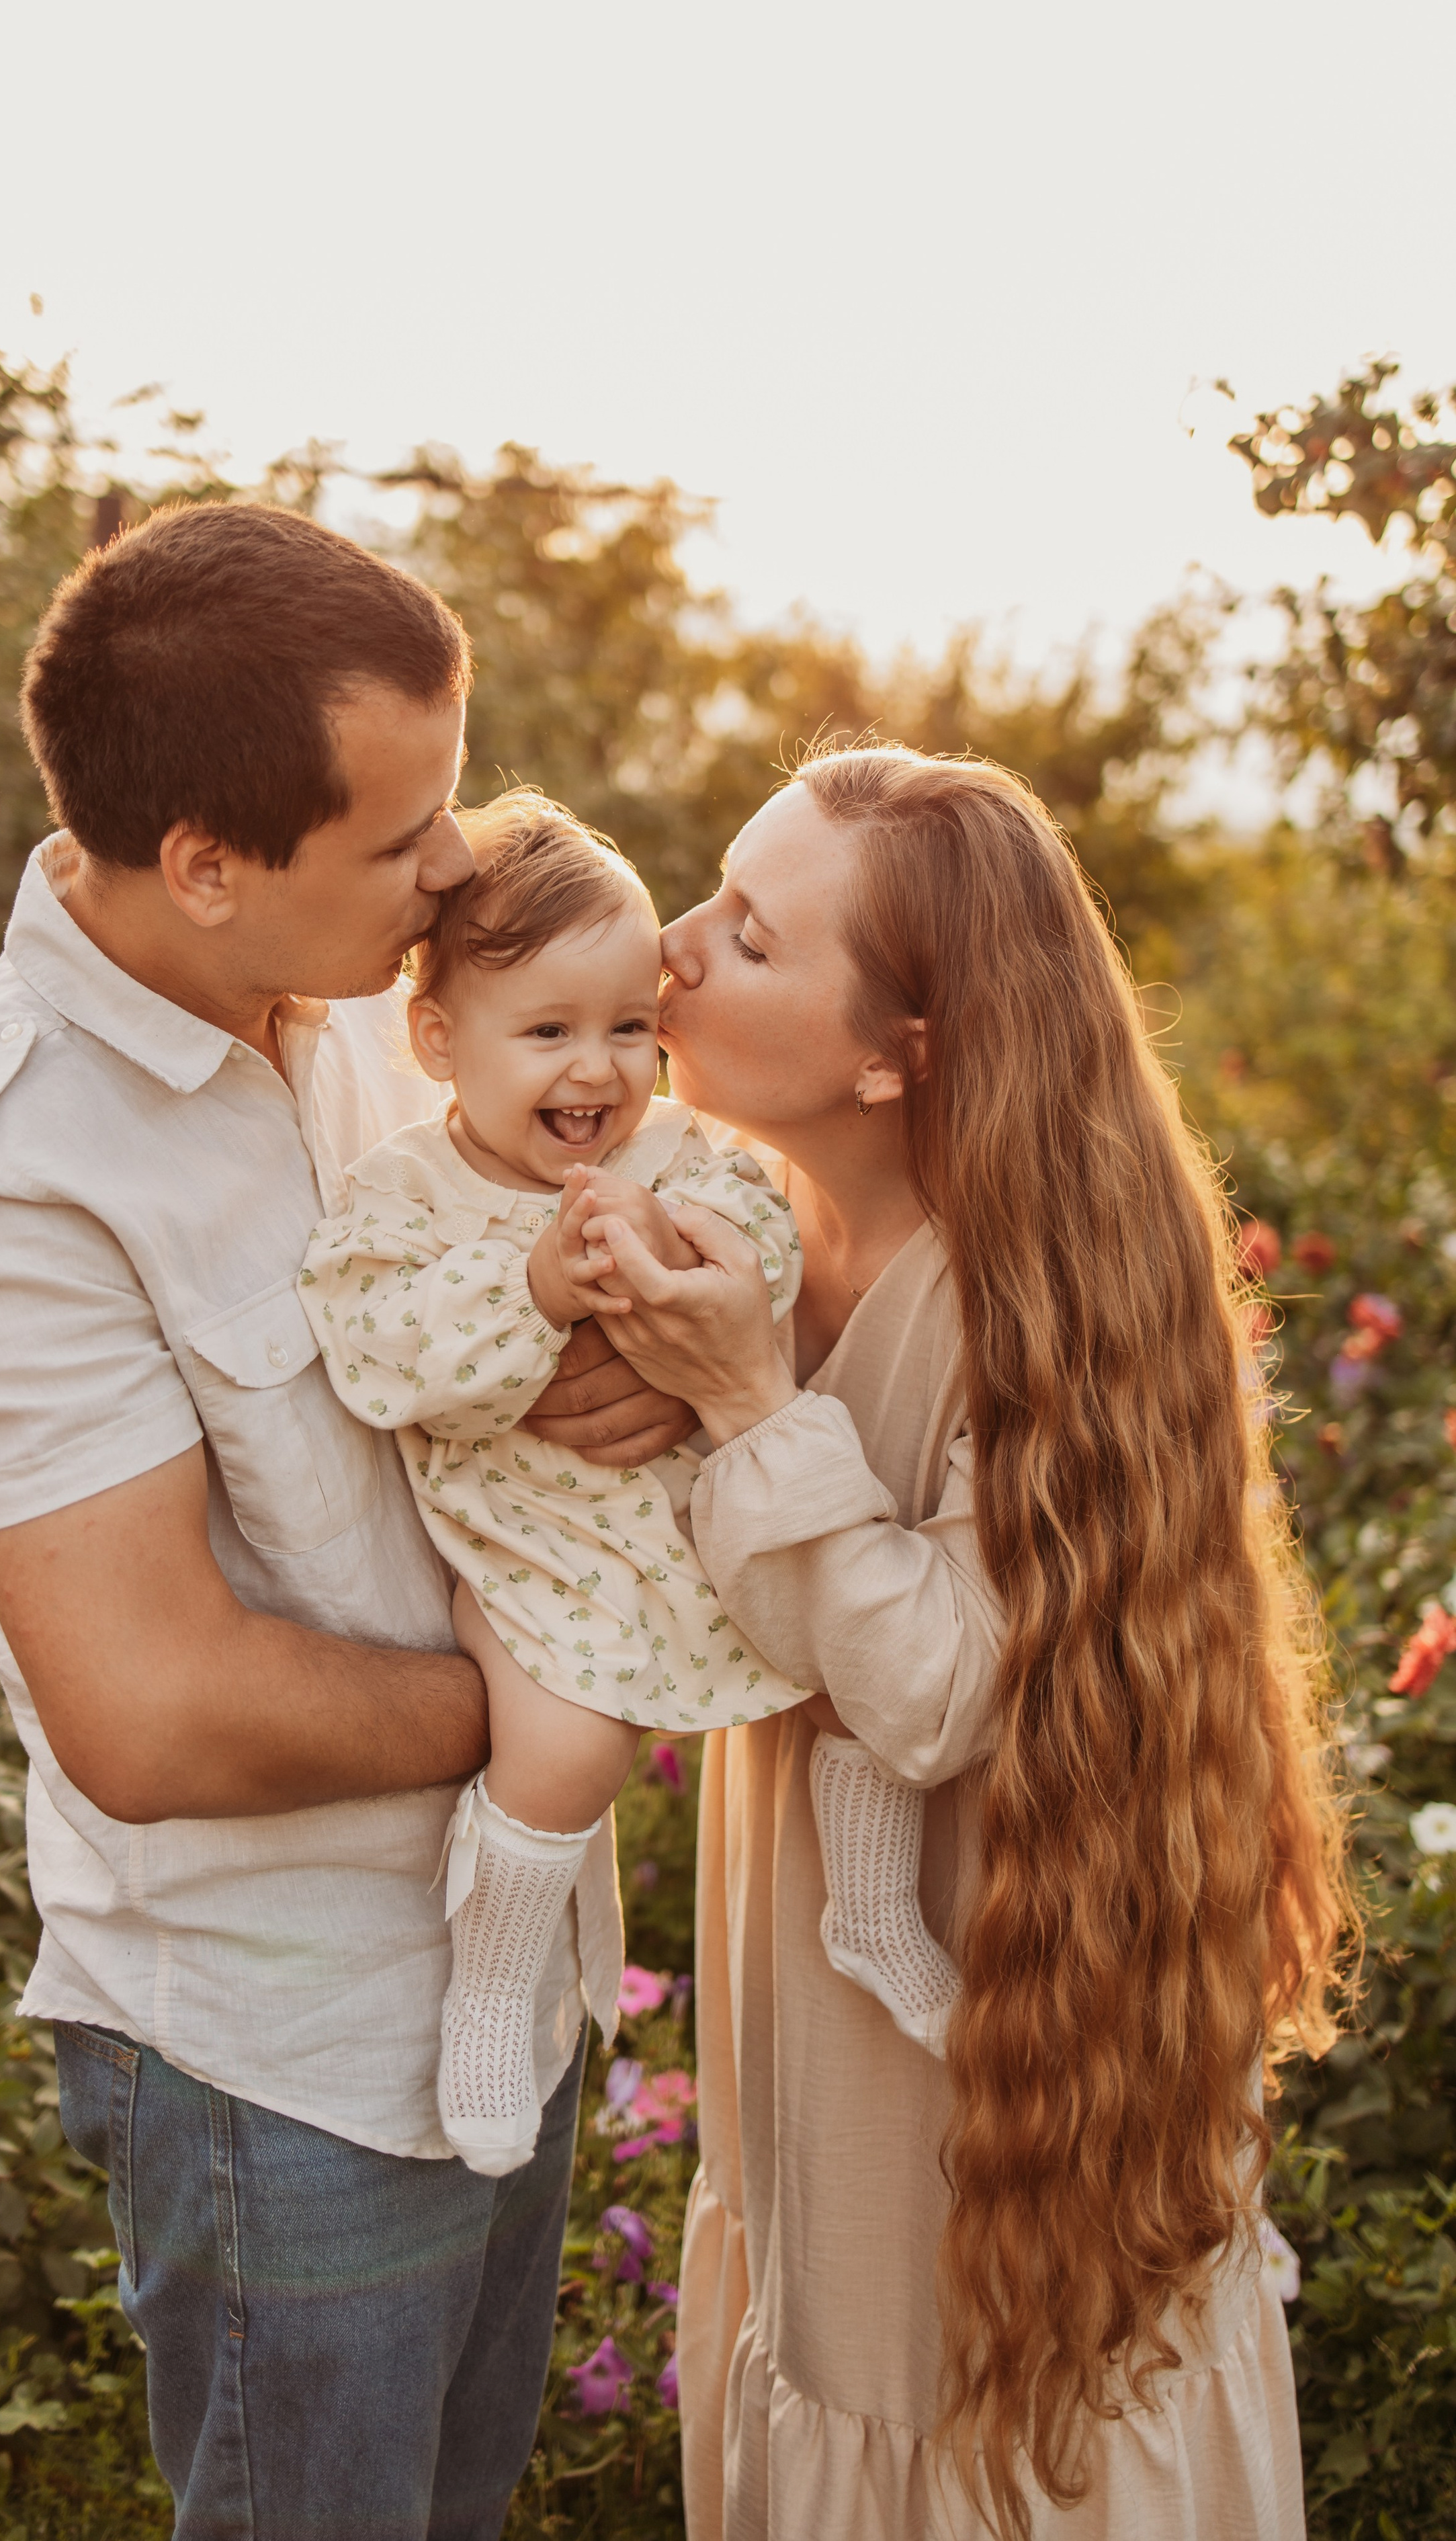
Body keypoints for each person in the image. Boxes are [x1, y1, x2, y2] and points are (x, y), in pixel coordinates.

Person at [0, 503, 680, 2541]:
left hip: (512, 1963)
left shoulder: (363, 1004)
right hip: (286, 2053)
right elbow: (160, 1713)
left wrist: (638, 1365)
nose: (459, 866)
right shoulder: (6, 1174)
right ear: (207, 864)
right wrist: (561, 1694)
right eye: (403, 836)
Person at [567, 745, 1351, 2538]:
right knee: (820, 2324)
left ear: (894, 1049)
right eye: (708, 895)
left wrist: (748, 1405)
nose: (675, 949)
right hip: (807, 2054)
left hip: (1000, 2057)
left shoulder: (1038, 1297)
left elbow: (930, 1690)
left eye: (749, 936)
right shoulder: (741, 1226)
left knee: (943, 2393)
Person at [301, 788, 959, 2177]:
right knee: (565, 1745)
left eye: (625, 1031)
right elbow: (380, 1351)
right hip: (535, 1545)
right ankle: (487, 1989)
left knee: (838, 1657)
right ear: (439, 1040)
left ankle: (876, 1903)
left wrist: (702, 1292)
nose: (594, 1070)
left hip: (677, 1517)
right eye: (545, 1032)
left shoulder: (677, 1158)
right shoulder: (408, 1195)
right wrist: (533, 1287)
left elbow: (763, 1250)